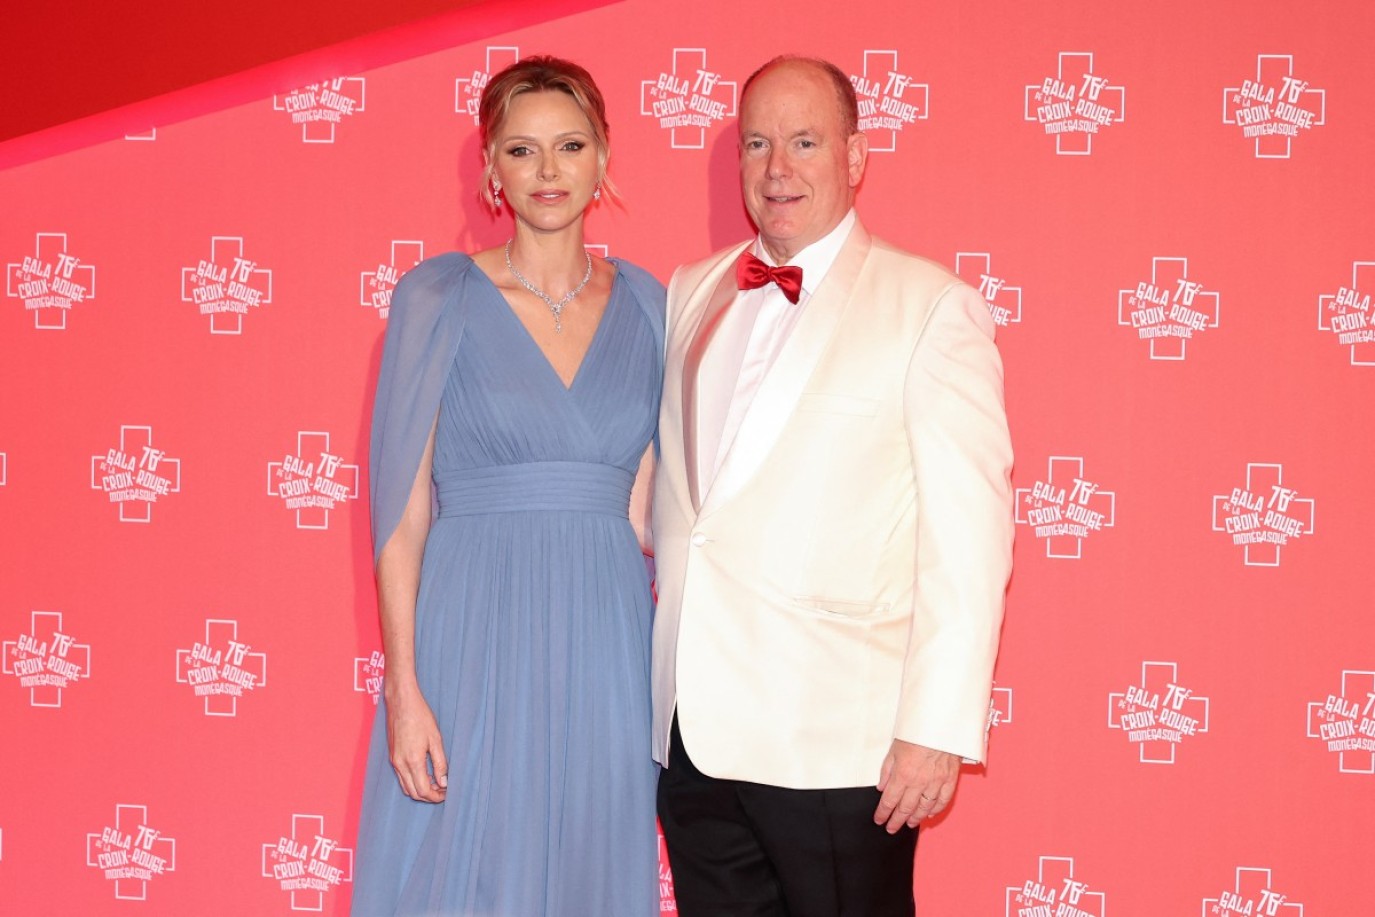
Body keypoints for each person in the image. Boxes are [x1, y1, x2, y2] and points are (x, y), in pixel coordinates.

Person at [652, 55, 1014, 915]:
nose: (777, 168)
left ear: (854, 157)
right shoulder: (691, 289)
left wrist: (934, 728)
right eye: (757, 144)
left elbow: (969, 538)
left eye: (804, 142)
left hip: (837, 746)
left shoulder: (928, 306)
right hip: (694, 742)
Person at [351, 56, 663, 915]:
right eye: (522, 150)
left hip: (606, 640)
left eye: (570, 145)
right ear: (491, 167)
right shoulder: (436, 298)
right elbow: (402, 514)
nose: (547, 170)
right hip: (471, 632)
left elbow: (652, 513)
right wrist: (404, 687)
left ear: (603, 157)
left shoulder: (650, 306)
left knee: (590, 863)